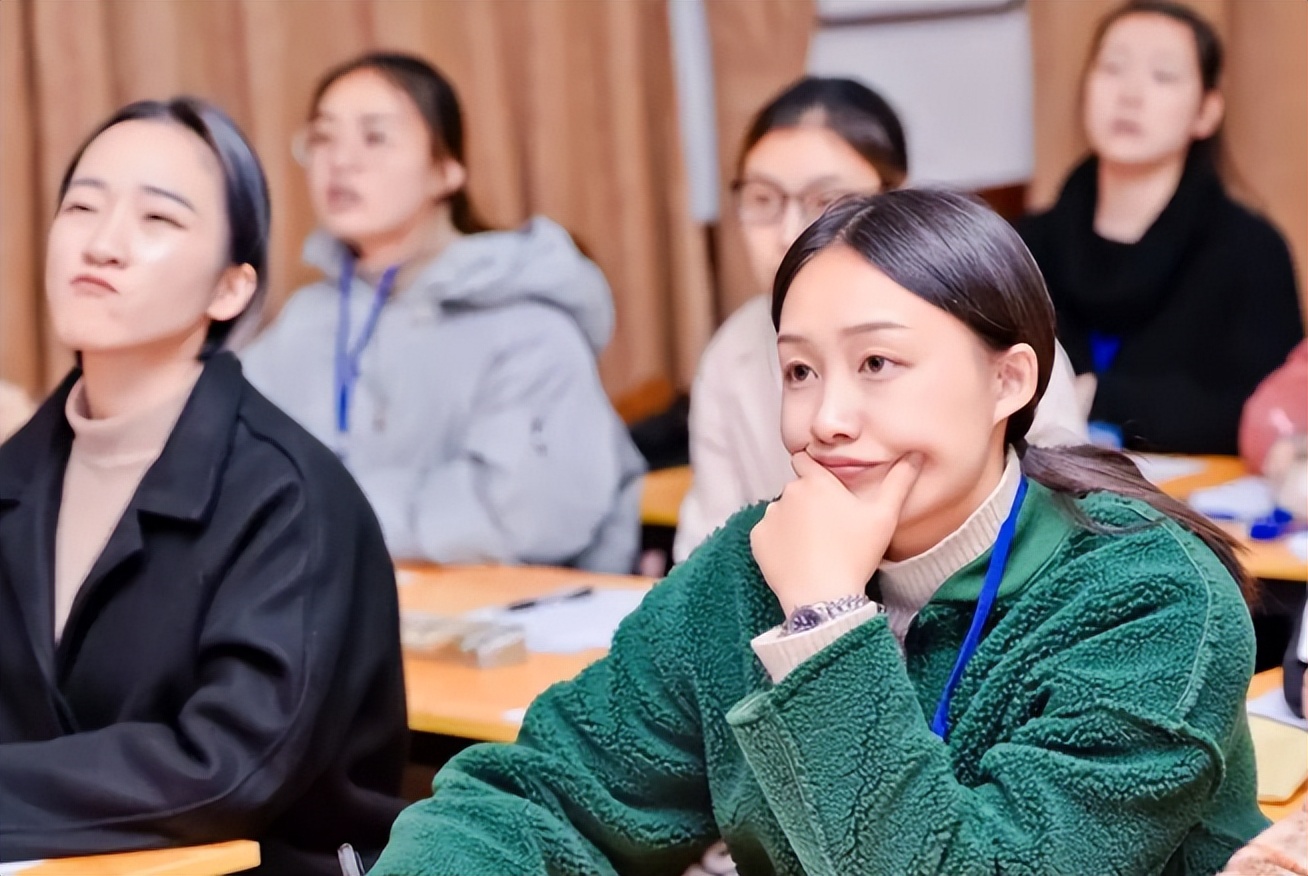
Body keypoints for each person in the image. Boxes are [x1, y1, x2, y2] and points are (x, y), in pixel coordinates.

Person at [371, 190, 1265, 876]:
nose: (826, 417)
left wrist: (828, 621)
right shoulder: (751, 567)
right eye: (799, 369)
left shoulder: (1149, 597)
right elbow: (539, 799)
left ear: (1009, 382)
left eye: (878, 363)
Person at [0, 97, 407, 874]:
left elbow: (229, 768)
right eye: (82, 206)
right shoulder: (16, 474)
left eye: (158, 220)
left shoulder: (292, 498)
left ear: (230, 289)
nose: (105, 243)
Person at [242, 52, 643, 572]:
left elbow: (524, 514)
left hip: (517, 626)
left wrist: (322, 515)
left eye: (375, 136)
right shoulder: (303, 322)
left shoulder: (528, 323)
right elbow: (241, 479)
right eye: (322, 138)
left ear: (446, 170)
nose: (339, 161)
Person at [676, 77, 1087, 562]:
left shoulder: (988, 328)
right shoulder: (732, 350)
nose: (789, 232)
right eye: (763, 201)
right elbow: (707, 549)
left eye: (825, 201)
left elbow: (1062, 511)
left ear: (896, 199)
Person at [1018, 0, 1303, 455]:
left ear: (1207, 112)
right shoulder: (1024, 246)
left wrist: (1100, 397)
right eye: (1112, 69)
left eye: (1163, 76)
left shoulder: (1251, 250)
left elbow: (1272, 413)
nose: (1130, 94)